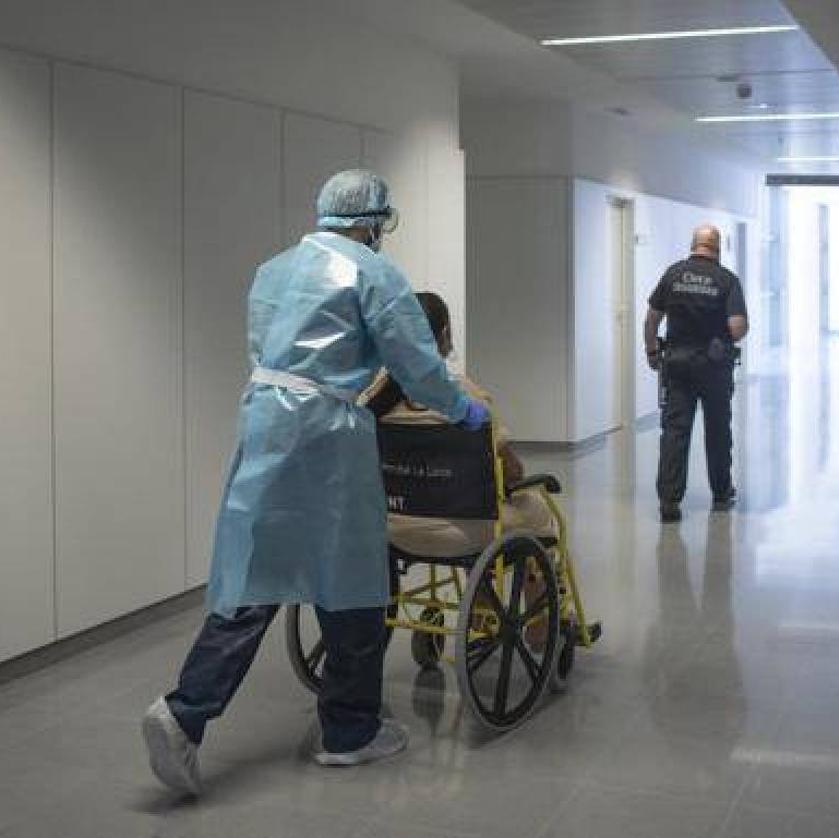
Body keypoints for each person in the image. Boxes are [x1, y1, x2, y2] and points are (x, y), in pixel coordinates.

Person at [141, 170, 489, 795]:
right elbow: (414, 359)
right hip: (328, 431)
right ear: (375, 221)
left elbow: (264, 347)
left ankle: (184, 713)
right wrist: (461, 410)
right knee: (352, 576)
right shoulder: (373, 272)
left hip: (265, 419)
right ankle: (349, 732)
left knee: (254, 577)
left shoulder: (275, 269)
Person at [363, 291, 557, 556]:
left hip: (393, 528)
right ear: (443, 335)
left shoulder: (374, 398)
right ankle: (538, 594)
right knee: (537, 508)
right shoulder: (466, 400)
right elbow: (512, 473)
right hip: (463, 532)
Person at [644, 225, 748, 523]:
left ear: (694, 244)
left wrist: (652, 352)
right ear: (717, 248)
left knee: (675, 432)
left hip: (677, 365)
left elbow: (652, 319)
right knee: (717, 430)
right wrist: (723, 333)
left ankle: (669, 502)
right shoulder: (727, 280)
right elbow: (738, 327)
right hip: (715, 368)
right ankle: (721, 493)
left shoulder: (674, 274)